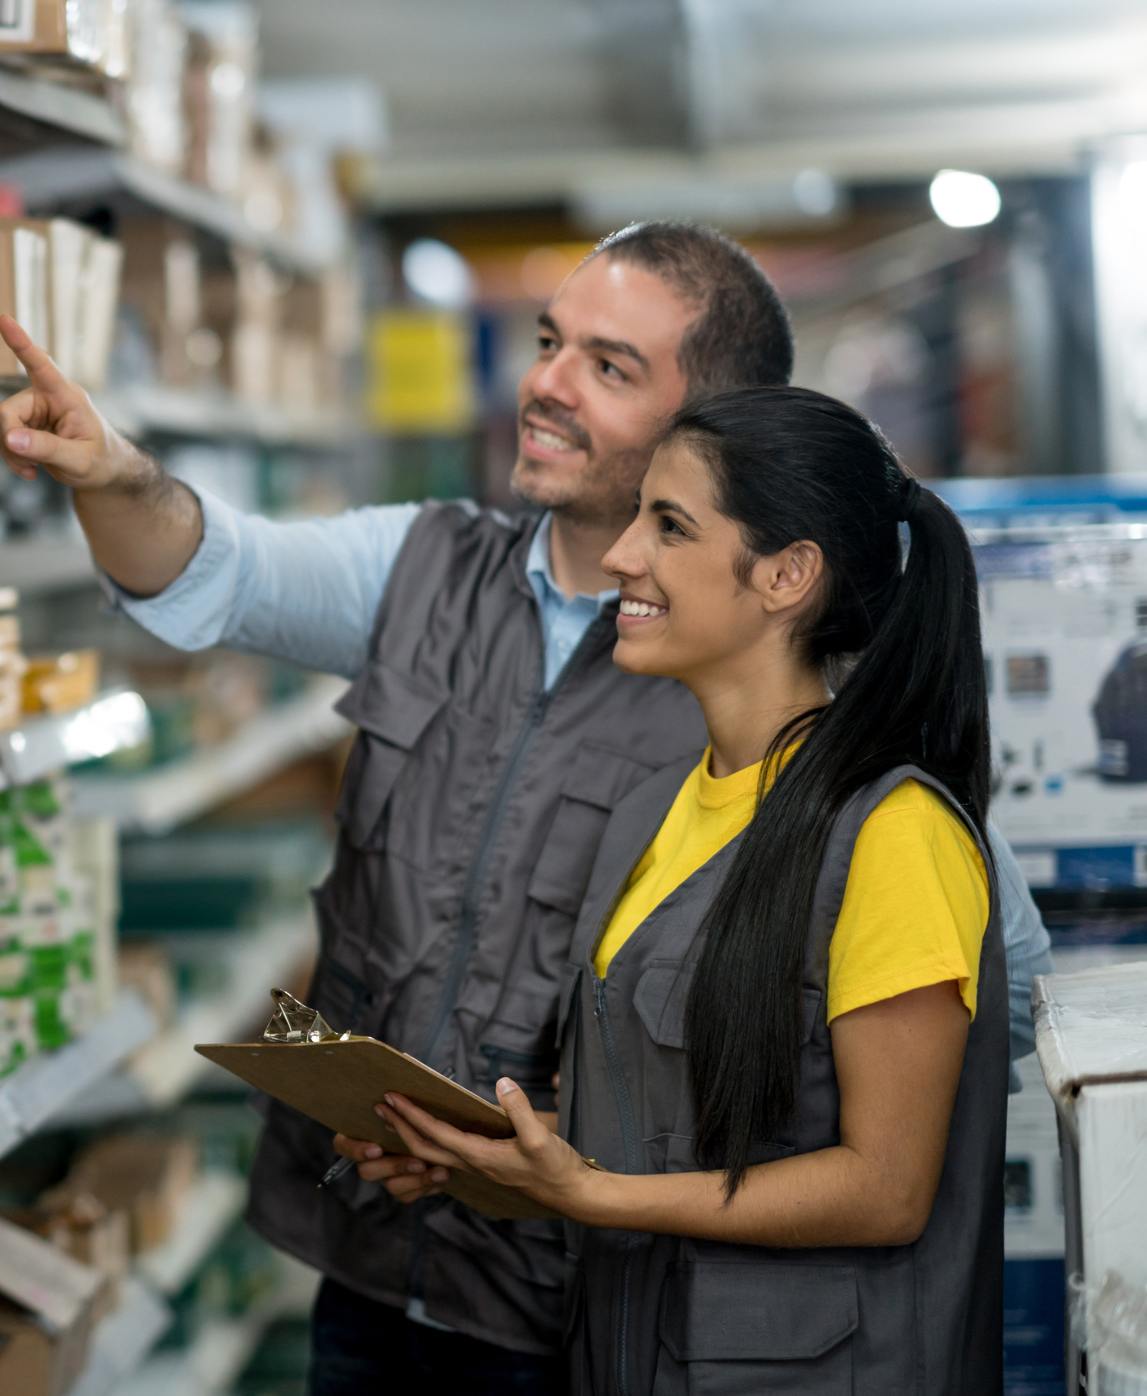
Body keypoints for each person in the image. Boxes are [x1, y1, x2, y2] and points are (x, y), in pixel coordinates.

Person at [0, 221, 1047, 1393]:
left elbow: (952, 1032)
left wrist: (622, 1176)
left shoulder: (809, 744)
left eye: (608, 365)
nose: (544, 381)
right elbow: (216, 569)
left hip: (593, 1308)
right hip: (390, 1250)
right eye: (550, 342)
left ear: (716, 424)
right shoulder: (437, 576)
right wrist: (113, 473)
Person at [372, 386, 1005, 1394]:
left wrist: (595, 1195)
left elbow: (886, 1188)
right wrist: (492, 1157)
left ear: (787, 574)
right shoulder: (654, 812)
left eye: (668, 526)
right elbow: (663, 1115)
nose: (622, 555)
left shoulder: (893, 834)